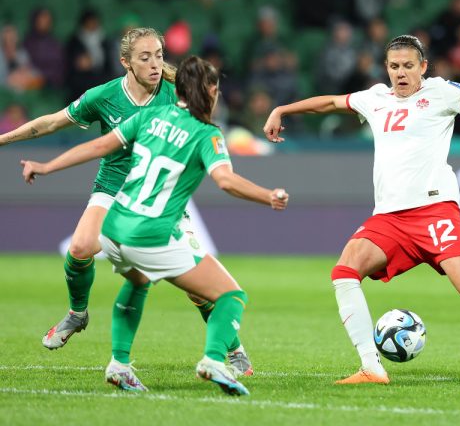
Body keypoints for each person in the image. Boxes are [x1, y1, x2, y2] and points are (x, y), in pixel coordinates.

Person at [263, 35, 460, 384]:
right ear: (386, 69)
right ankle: (371, 367)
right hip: (389, 217)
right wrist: (283, 109)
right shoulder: (375, 98)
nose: (401, 73)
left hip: (434, 210)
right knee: (344, 272)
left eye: (408, 65)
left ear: (423, 67)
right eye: (394, 66)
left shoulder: (442, 92)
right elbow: (331, 103)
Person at [20, 56, 289, 395]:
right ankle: (215, 359)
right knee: (232, 295)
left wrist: (45, 167)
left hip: (115, 228)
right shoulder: (208, 134)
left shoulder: (149, 115)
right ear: (206, 92)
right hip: (152, 234)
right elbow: (225, 181)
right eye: (216, 89)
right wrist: (269, 195)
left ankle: (119, 365)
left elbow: (98, 146)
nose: (218, 96)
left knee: (137, 281)